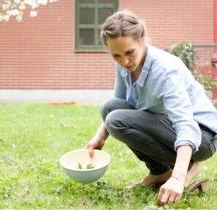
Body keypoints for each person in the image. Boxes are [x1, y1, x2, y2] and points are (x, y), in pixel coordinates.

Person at [85, 10, 217, 206]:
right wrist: (100, 136)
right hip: (167, 125)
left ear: (142, 39)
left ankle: (185, 166)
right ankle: (160, 172)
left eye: (130, 52)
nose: (125, 62)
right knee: (109, 108)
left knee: (115, 119)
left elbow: (185, 124)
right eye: (117, 56)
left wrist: (179, 178)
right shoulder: (123, 65)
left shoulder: (165, 70)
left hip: (202, 135)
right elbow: (119, 103)